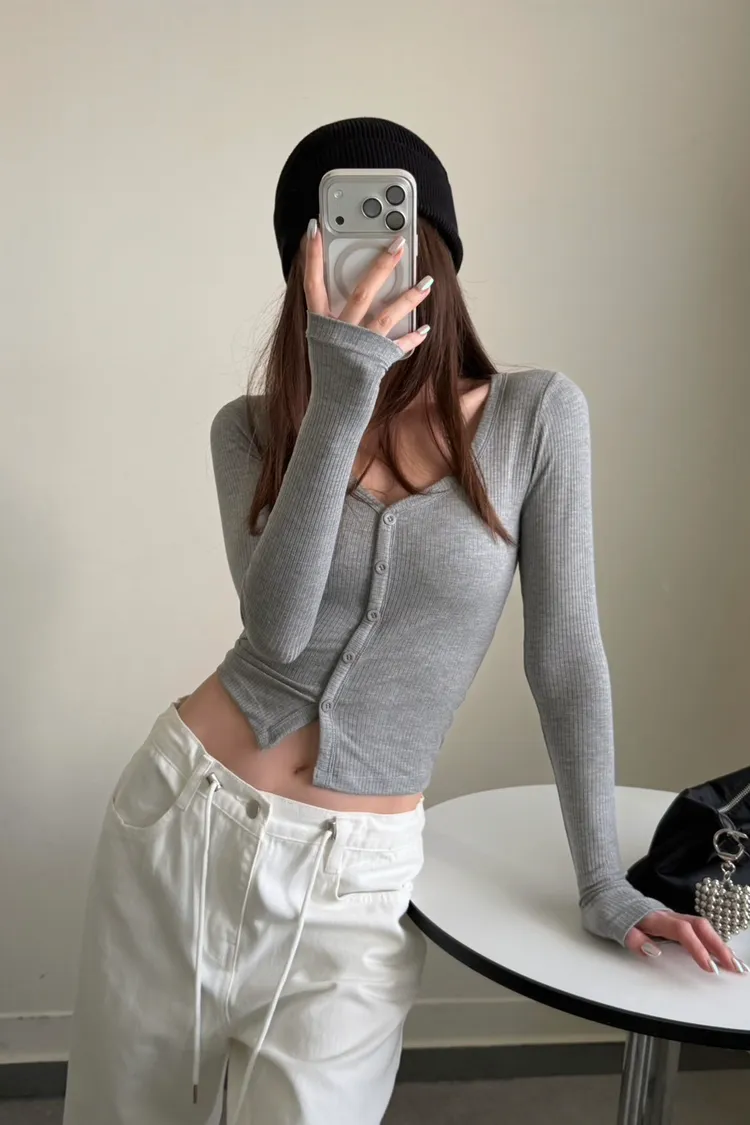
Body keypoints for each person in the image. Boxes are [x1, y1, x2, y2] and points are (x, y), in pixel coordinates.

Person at [62, 117, 743, 1125]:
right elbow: (276, 631)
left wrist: (604, 881)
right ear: (304, 272)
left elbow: (564, 659)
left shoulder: (536, 416)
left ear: (437, 254)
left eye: (394, 236)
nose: (372, 261)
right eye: (338, 241)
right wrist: (342, 395)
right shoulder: (250, 431)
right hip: (181, 823)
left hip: (356, 880)